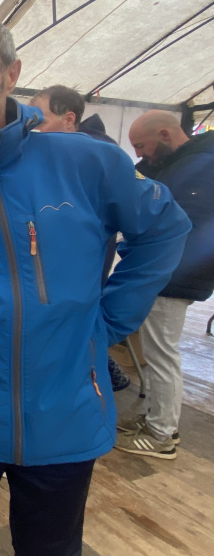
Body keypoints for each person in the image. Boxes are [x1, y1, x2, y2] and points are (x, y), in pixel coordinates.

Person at [0, 15, 190, 555]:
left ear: (10, 74)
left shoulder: (87, 163)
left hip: (66, 413)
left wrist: (111, 319)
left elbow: (164, 228)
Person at [115, 110, 214, 459]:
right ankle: (153, 418)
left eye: (142, 146)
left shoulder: (201, 166)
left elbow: (179, 229)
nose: (141, 154)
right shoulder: (184, 164)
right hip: (168, 273)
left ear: (165, 134)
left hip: (174, 276)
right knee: (158, 352)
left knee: (161, 355)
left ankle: (161, 434)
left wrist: (150, 265)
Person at [30, 84, 132, 392]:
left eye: (39, 122)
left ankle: (102, 376)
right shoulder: (60, 156)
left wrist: (116, 315)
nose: (32, 132)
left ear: (69, 119)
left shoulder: (94, 159)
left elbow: (163, 230)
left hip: (74, 290)